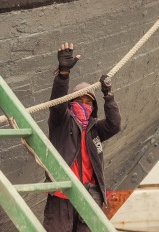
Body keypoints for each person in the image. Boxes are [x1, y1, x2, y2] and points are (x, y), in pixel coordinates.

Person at [43, 42, 121, 232]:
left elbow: (115, 124)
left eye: (88, 101)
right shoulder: (61, 122)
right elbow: (56, 104)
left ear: (93, 107)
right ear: (70, 102)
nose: (84, 104)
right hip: (62, 195)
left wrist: (107, 95)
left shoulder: (96, 128)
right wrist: (63, 75)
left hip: (90, 196)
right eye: (79, 100)